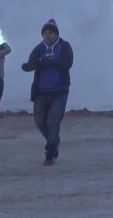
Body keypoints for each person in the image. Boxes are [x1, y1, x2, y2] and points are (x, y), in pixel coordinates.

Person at [21, 19, 73, 166]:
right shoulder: (39, 48)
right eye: (45, 33)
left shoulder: (64, 46)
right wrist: (27, 66)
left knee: (54, 123)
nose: (47, 35)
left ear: (56, 34)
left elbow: (68, 63)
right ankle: (54, 140)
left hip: (59, 92)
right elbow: (32, 63)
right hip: (41, 92)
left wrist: (51, 62)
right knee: (39, 121)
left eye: (50, 33)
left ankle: (50, 153)